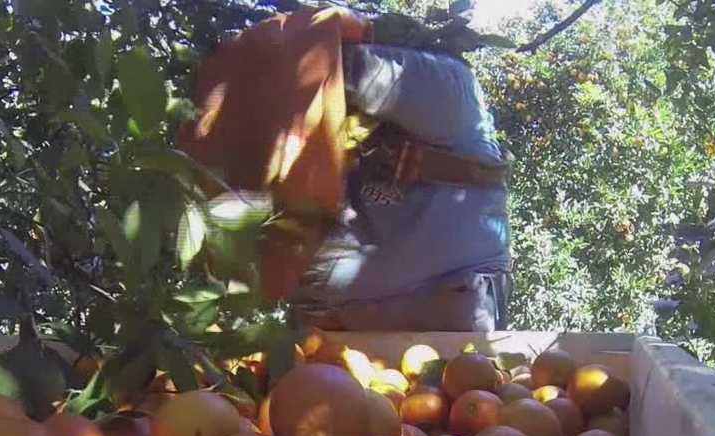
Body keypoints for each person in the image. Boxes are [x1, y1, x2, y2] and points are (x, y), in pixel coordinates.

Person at [186, 8, 512, 331]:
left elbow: (316, 66)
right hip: (333, 321)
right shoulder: (340, 131)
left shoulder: (446, 82)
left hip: (441, 304)